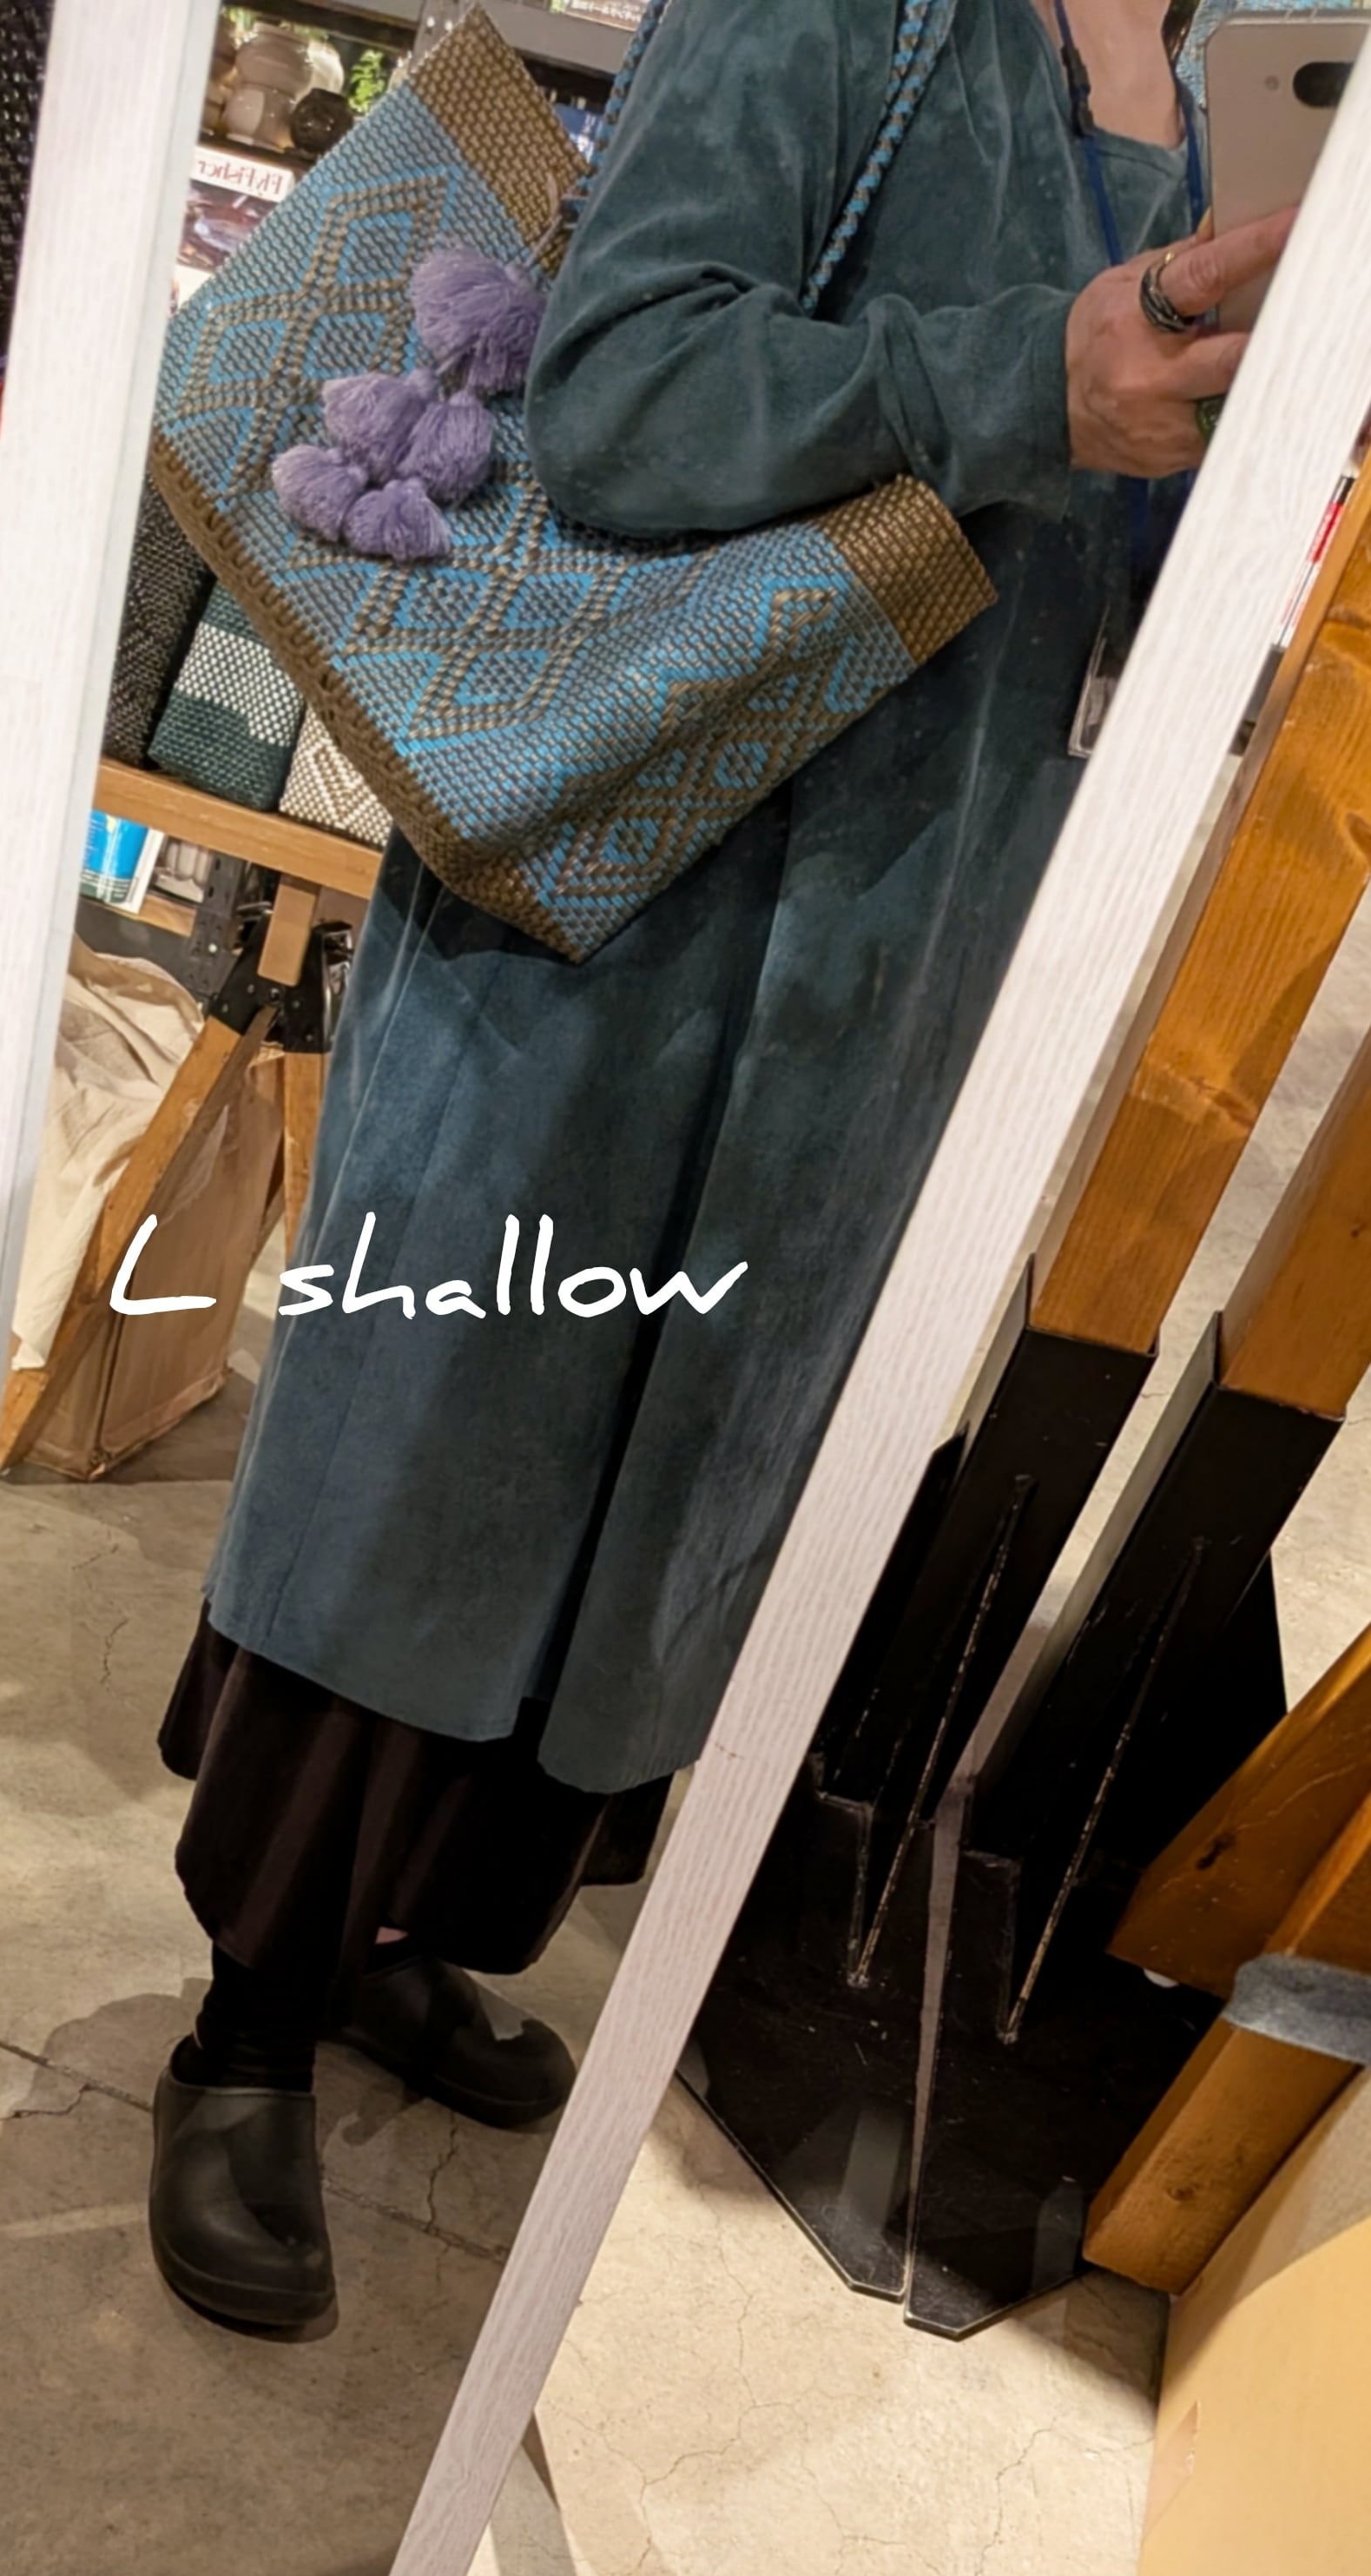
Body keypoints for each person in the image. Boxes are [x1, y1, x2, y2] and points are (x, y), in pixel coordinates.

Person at [147, 0, 1293, 2333]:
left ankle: (399, 1936)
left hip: (888, 954)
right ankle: (248, 2017)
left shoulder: (1189, 83)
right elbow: (621, 399)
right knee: (441, 1475)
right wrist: (1026, 375)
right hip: (623, 894)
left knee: (654, 1526)